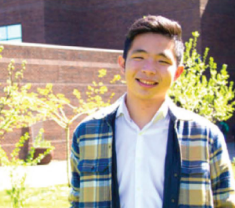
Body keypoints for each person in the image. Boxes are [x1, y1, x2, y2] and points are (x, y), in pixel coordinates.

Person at [69, 15, 235, 207]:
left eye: (162, 61)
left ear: (178, 73)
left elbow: (226, 202)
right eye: (139, 57)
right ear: (122, 64)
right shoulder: (87, 133)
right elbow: (77, 201)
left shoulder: (205, 135)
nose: (149, 69)